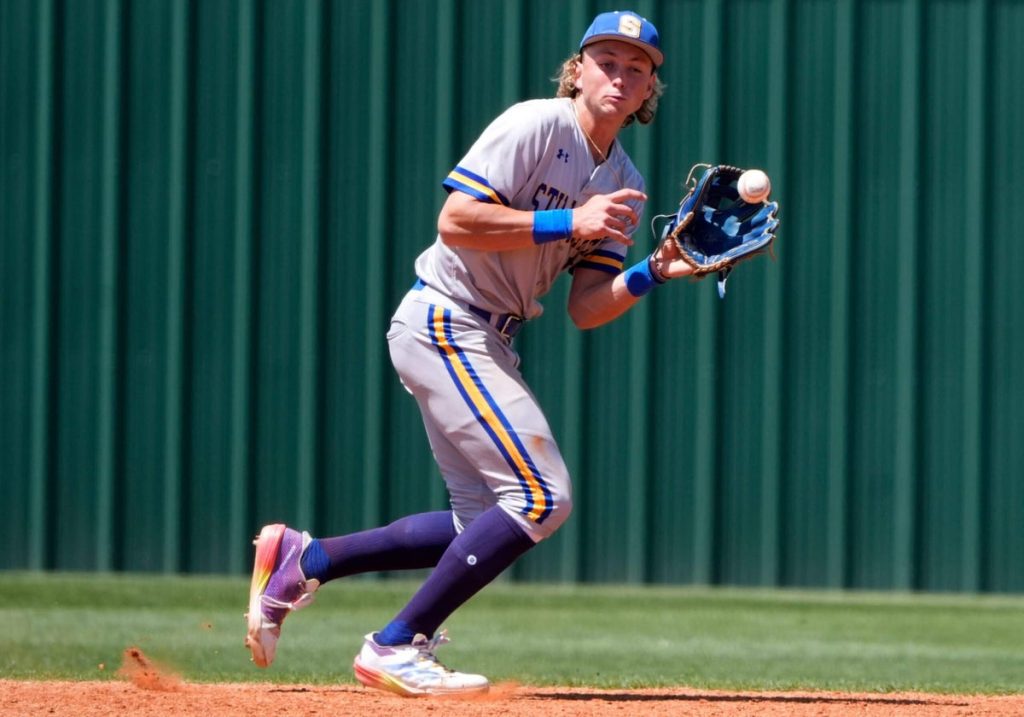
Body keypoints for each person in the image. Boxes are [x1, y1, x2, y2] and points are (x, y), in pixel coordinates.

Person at [245, 9, 696, 697]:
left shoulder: (619, 176)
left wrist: (654, 272)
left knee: (478, 523)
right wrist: (568, 220)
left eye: (637, 68)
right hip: (446, 319)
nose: (621, 74)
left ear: (646, 94)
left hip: (488, 335)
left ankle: (306, 559)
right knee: (544, 496)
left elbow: (586, 306)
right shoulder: (536, 124)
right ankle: (396, 642)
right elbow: (455, 220)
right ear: (578, 71)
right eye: (607, 59)